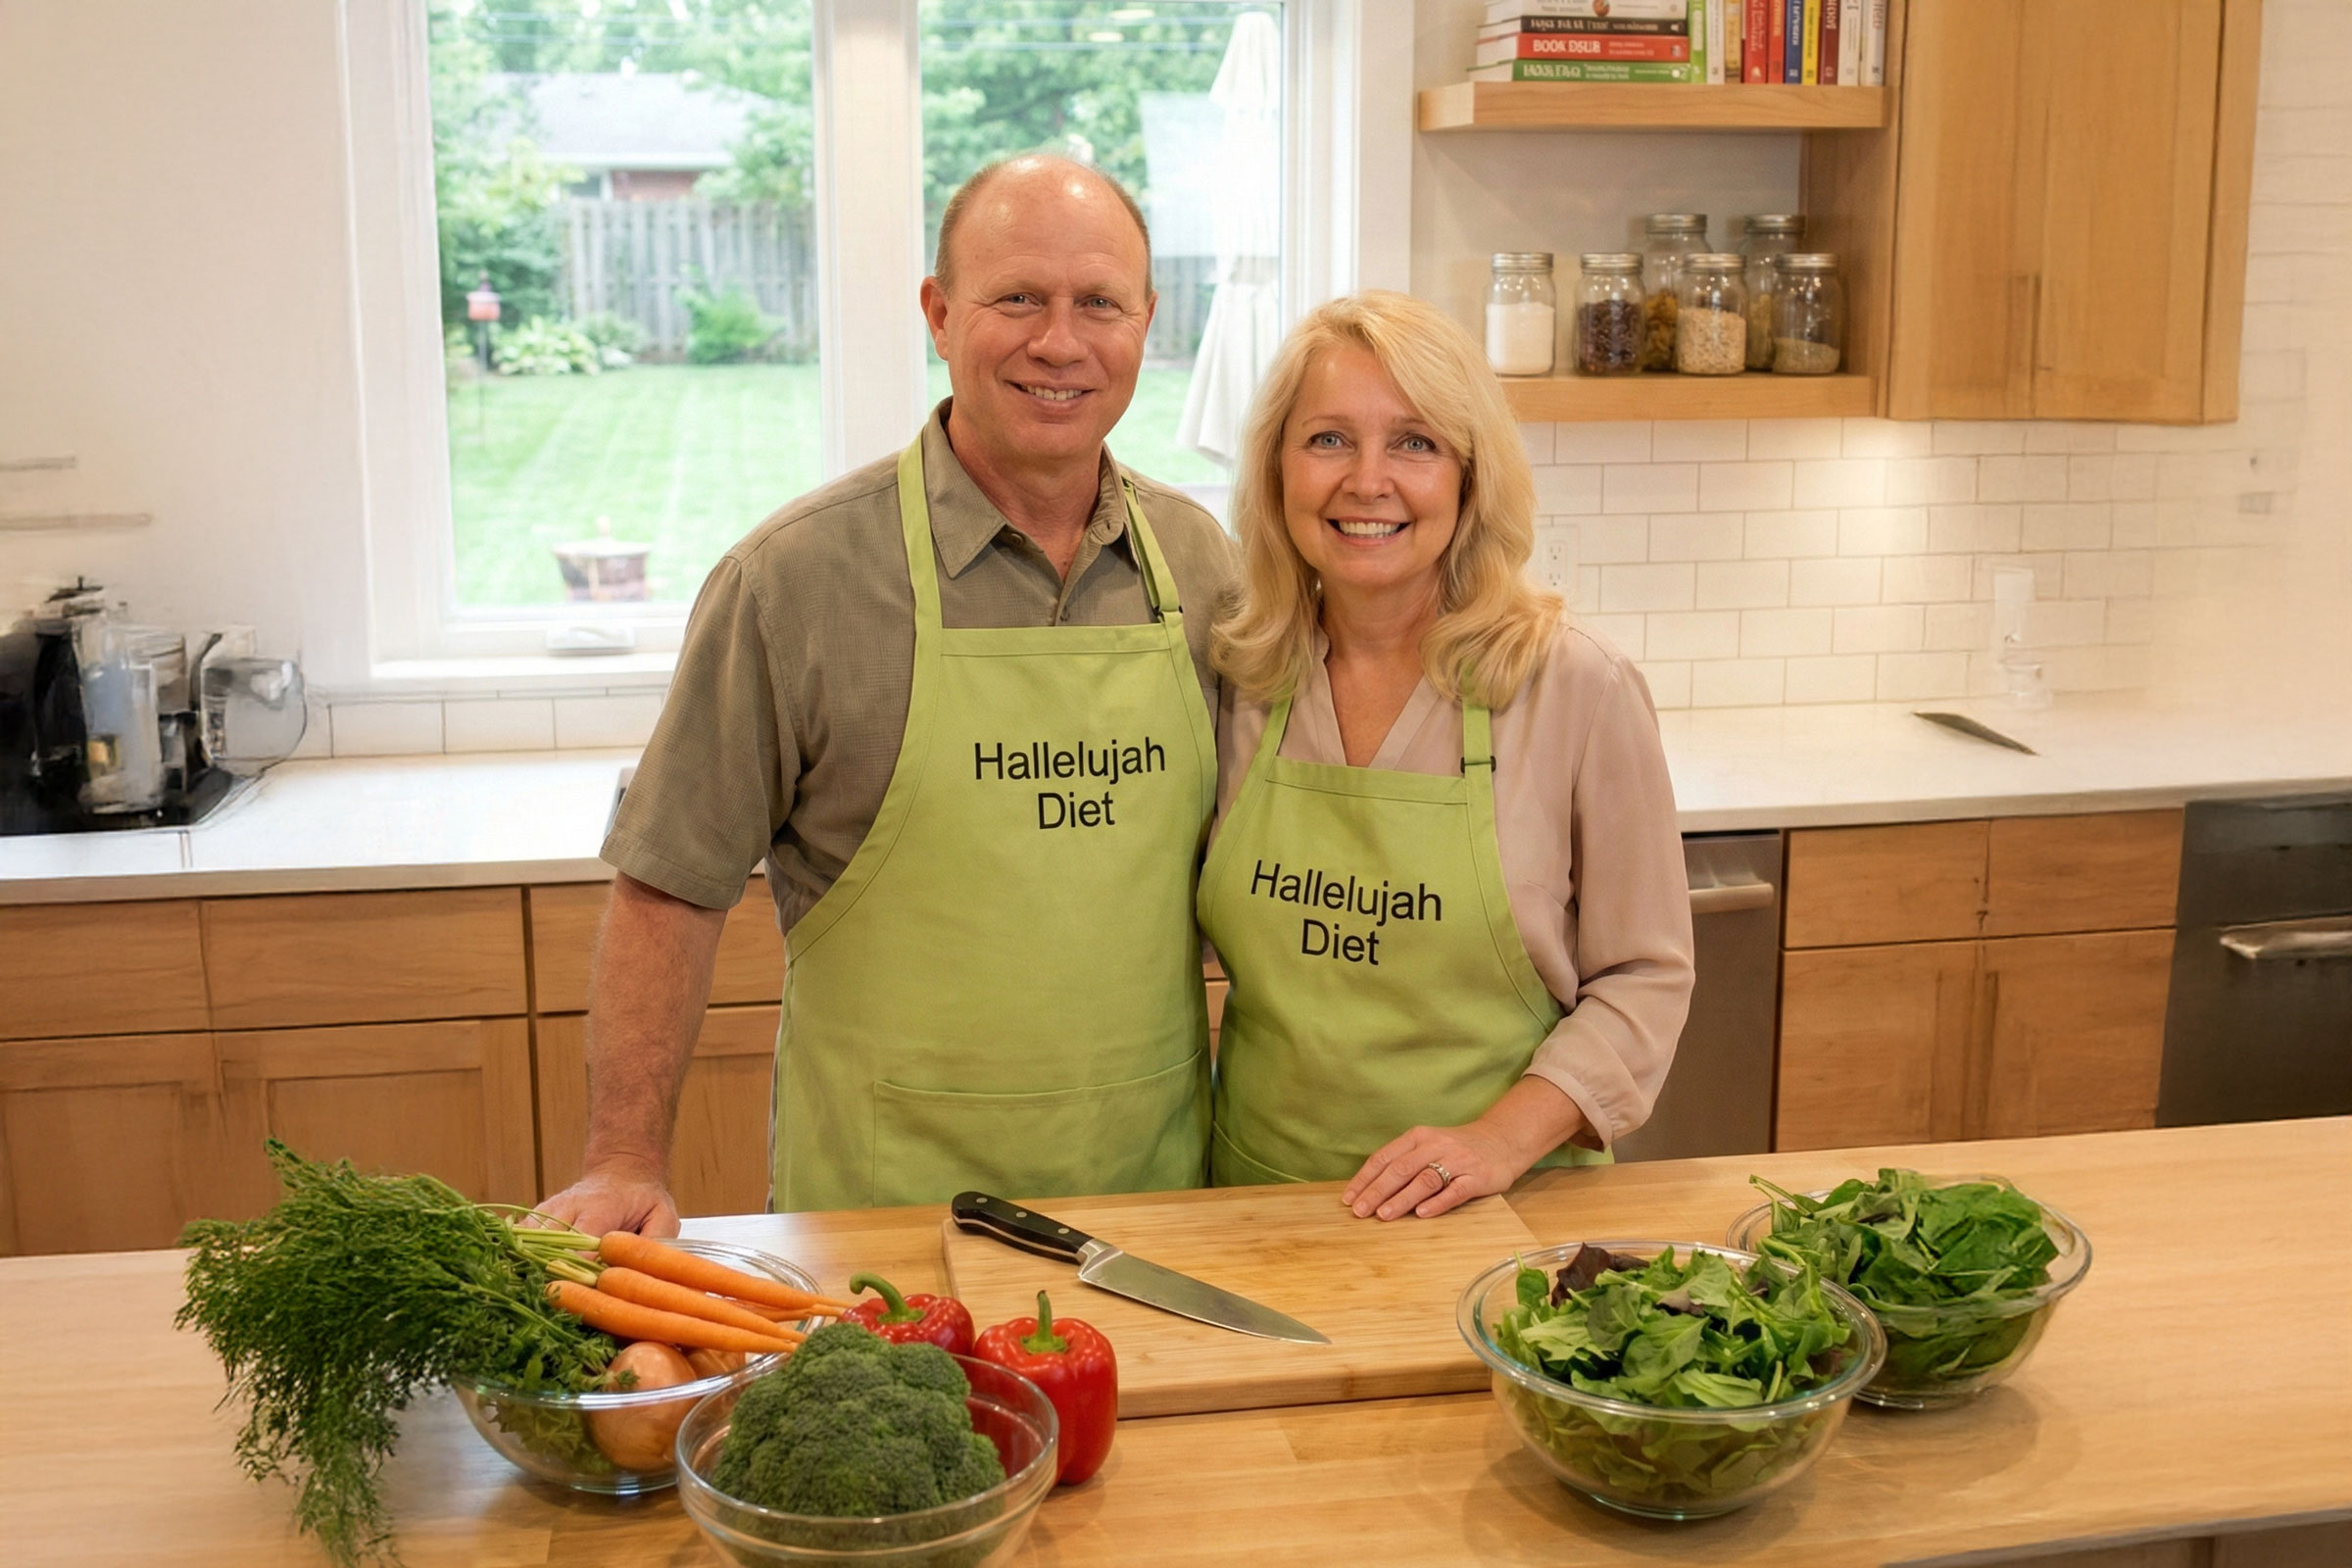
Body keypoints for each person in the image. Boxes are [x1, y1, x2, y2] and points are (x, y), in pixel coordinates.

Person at [537, 156, 1238, 1237]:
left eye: (1098, 302)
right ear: (940, 315)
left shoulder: (1202, 566)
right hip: (882, 1219)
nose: (1061, 341)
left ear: (1147, 320)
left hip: (1148, 1207)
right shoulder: (795, 582)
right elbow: (669, 887)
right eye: (1017, 299)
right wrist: (624, 1157)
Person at [1198, 291, 1693, 1221]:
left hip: (1501, 1217)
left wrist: (1498, 1140)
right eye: (1329, 440)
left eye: (1415, 443)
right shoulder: (1241, 677)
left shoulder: (1576, 690)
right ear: (1275, 472)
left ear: (1471, 477)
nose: (1367, 480)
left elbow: (1646, 978)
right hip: (1259, 1207)